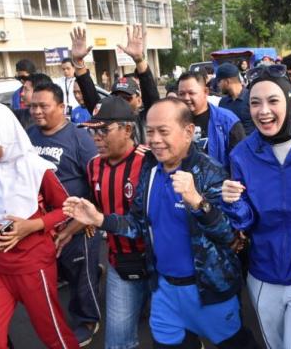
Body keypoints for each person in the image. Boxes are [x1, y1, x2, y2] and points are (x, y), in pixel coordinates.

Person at [64, 98, 259, 349]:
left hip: (209, 293)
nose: (154, 139)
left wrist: (197, 202)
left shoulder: (210, 172)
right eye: (150, 131)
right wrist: (99, 219)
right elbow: (137, 223)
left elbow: (229, 235)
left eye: (163, 131)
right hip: (164, 291)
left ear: (188, 132)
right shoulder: (151, 169)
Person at [220, 66, 291, 349]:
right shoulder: (242, 155)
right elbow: (245, 222)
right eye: (255, 103)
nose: (263, 111)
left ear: (289, 101)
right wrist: (234, 203)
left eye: (273, 101)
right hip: (262, 276)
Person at [0, 102, 78, 348]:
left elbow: (67, 208)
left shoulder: (35, 167)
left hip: (33, 267)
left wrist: (33, 225)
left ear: (4, 134)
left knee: (55, 337)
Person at [27, 81, 102, 346]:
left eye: (43, 106)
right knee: (61, 273)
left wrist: (78, 225)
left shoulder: (79, 138)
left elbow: (97, 186)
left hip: (77, 223)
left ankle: (87, 319)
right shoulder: (29, 135)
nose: (36, 111)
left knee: (81, 274)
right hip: (43, 223)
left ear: (61, 107)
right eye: (33, 106)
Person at [79, 96, 150, 349]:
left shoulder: (150, 161)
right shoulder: (93, 166)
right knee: (118, 342)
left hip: (160, 263)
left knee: (175, 337)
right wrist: (68, 231)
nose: (96, 138)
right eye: (92, 131)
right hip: (119, 263)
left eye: (103, 130)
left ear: (128, 129)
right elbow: (95, 206)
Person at [71, 26, 160, 145]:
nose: (121, 102)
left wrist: (139, 60)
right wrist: (78, 63)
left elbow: (151, 94)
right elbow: (90, 95)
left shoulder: (148, 118)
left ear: (139, 100)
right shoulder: (106, 118)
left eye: (127, 98)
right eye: (117, 98)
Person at [178, 71, 245, 169]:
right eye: (181, 94)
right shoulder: (174, 120)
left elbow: (241, 163)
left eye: (191, 93)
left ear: (206, 92)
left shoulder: (227, 121)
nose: (186, 98)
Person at [216, 63, 255, 135]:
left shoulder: (252, 98)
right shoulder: (223, 103)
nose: (218, 85)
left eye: (219, 81)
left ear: (227, 81)